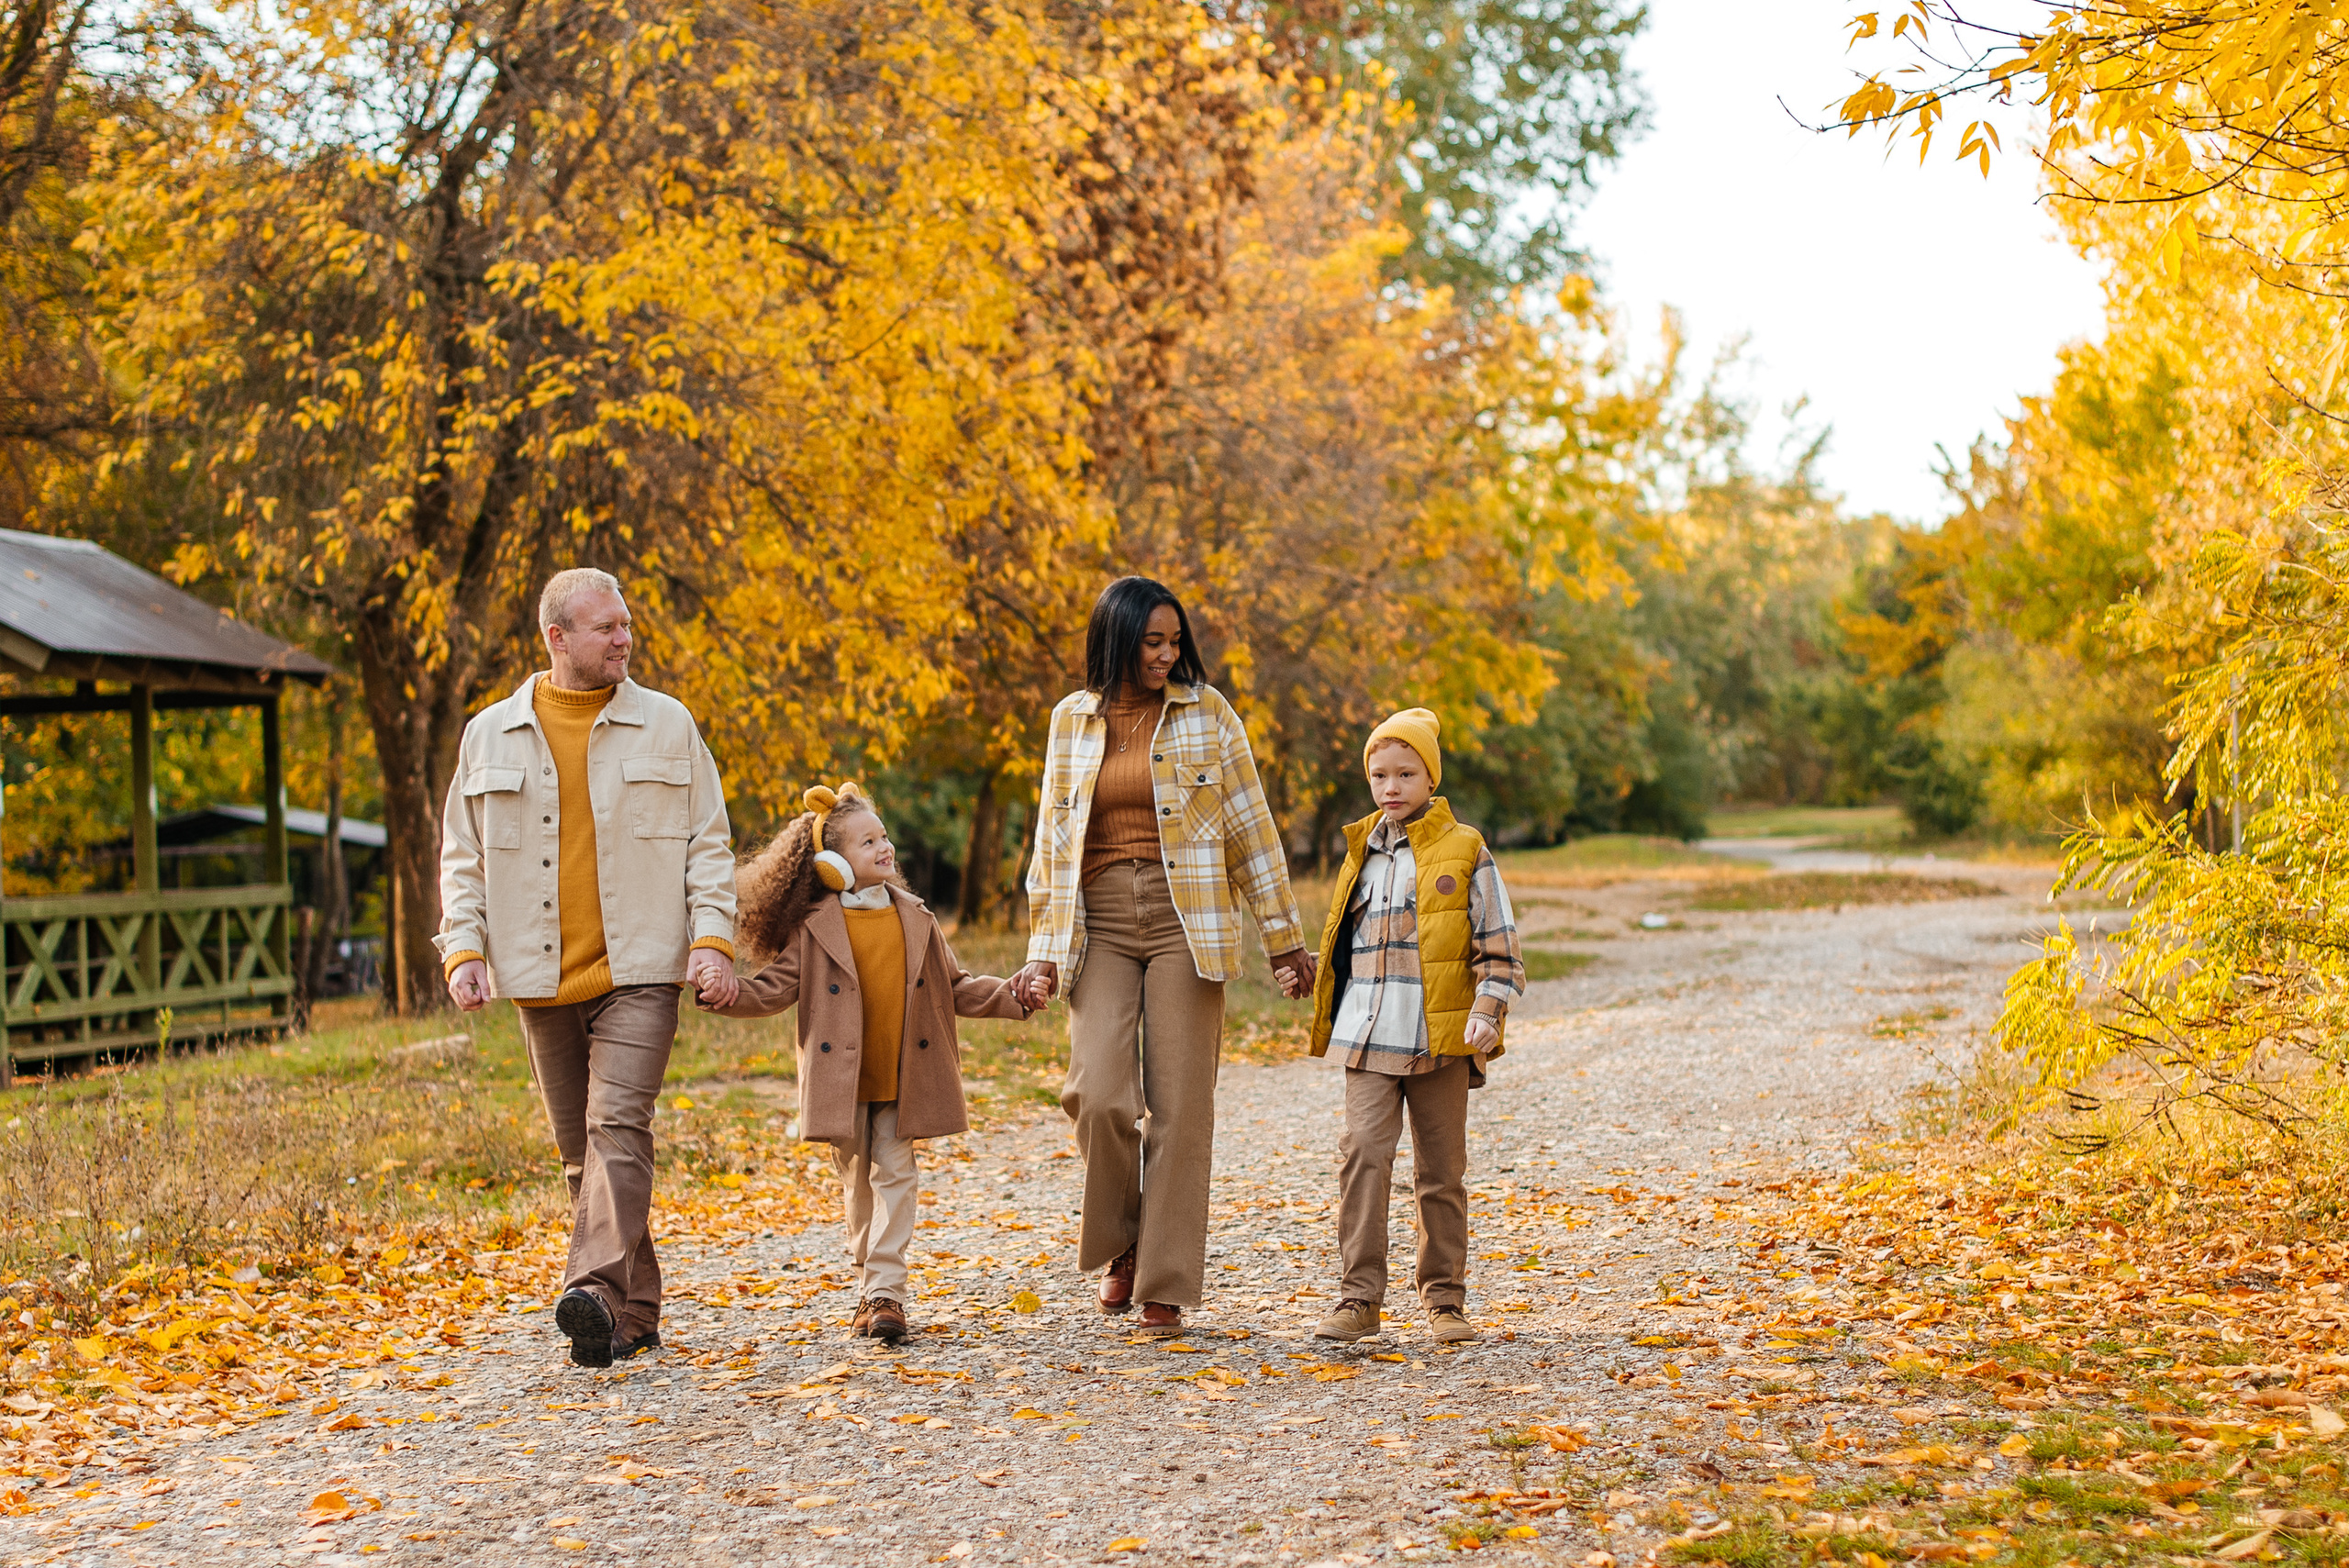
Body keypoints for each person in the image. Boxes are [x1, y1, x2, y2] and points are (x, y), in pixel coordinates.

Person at [437, 568, 741, 1369]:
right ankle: (632, 1311)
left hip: (641, 967)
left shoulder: (669, 725)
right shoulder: (488, 735)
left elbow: (708, 842)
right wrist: (463, 948)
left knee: (616, 1126)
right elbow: (462, 859)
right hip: (540, 977)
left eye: (627, 624)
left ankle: (593, 1288)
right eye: (605, 627)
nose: (623, 639)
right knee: (583, 1153)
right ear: (556, 638)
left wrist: (713, 938)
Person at [1011, 576, 1317, 1340]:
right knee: (1099, 1094)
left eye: (1175, 641)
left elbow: (1252, 828)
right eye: (1153, 641)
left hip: (1191, 921)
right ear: (1115, 638)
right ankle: (1124, 1239)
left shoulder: (1207, 714)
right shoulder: (1070, 722)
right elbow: (1052, 845)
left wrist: (1284, 939)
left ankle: (1166, 1282)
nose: (1167, 654)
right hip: (1103, 920)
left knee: (1182, 1106)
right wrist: (1043, 954)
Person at [718, 784, 1030, 1343]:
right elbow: (772, 988)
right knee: (858, 1186)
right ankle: (871, 1283)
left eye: (884, 836)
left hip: (905, 1075)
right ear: (834, 864)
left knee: (897, 1175)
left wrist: (1015, 994)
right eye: (868, 842)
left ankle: (887, 1292)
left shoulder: (917, 918)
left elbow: (956, 987)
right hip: (844, 1083)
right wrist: (726, 993)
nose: (885, 848)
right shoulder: (815, 928)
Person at [1303, 707, 1524, 1346]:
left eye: (1405, 773)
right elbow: (1350, 944)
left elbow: (1500, 947)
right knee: (1363, 1156)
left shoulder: (1466, 849)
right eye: (1379, 775)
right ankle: (1358, 1297)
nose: (1391, 787)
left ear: (1431, 777)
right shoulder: (1360, 851)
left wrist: (1487, 1009)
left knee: (1441, 1170)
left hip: (1439, 1040)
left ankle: (1445, 1300)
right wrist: (1313, 974)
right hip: (1369, 1038)